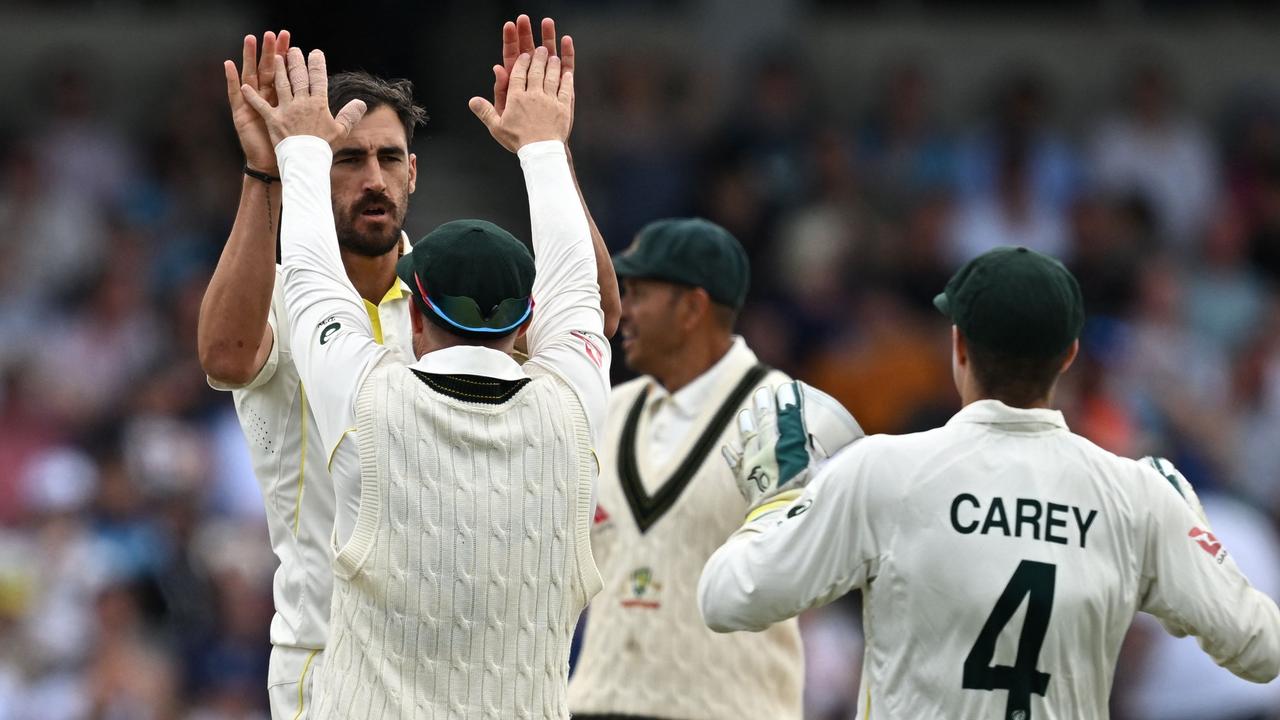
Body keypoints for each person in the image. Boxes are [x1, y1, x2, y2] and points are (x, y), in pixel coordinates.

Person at [197, 18, 617, 719]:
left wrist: (555, 151)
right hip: (327, 658)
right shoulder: (278, 291)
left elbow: (597, 312)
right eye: (347, 159)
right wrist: (266, 170)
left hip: (470, 655)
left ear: (414, 173)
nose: (372, 180)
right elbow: (227, 357)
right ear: (311, 175)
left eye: (389, 159)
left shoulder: (457, 298)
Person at [699, 246, 1280, 719]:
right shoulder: (1138, 494)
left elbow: (727, 598)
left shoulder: (881, 470)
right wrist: (1192, 529)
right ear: (1070, 356)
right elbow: (1261, 650)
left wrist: (777, 498)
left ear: (958, 347)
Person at [568, 218, 857, 720]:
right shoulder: (607, 411)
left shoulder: (781, 413)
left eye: (638, 294)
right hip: (596, 701)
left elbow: (803, 566)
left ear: (691, 308)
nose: (622, 311)